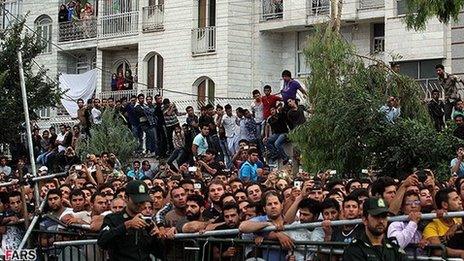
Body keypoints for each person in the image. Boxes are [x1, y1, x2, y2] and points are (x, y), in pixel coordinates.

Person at [98, 180, 164, 260]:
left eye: (143, 202)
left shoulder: (147, 222)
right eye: (136, 201)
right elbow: (102, 242)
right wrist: (126, 226)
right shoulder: (112, 219)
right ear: (126, 198)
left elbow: (160, 253)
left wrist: (158, 238)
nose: (140, 204)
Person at [342, 197, 408, 260]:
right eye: (376, 216)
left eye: (384, 216)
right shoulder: (355, 249)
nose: (381, 221)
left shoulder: (393, 247)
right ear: (365, 220)